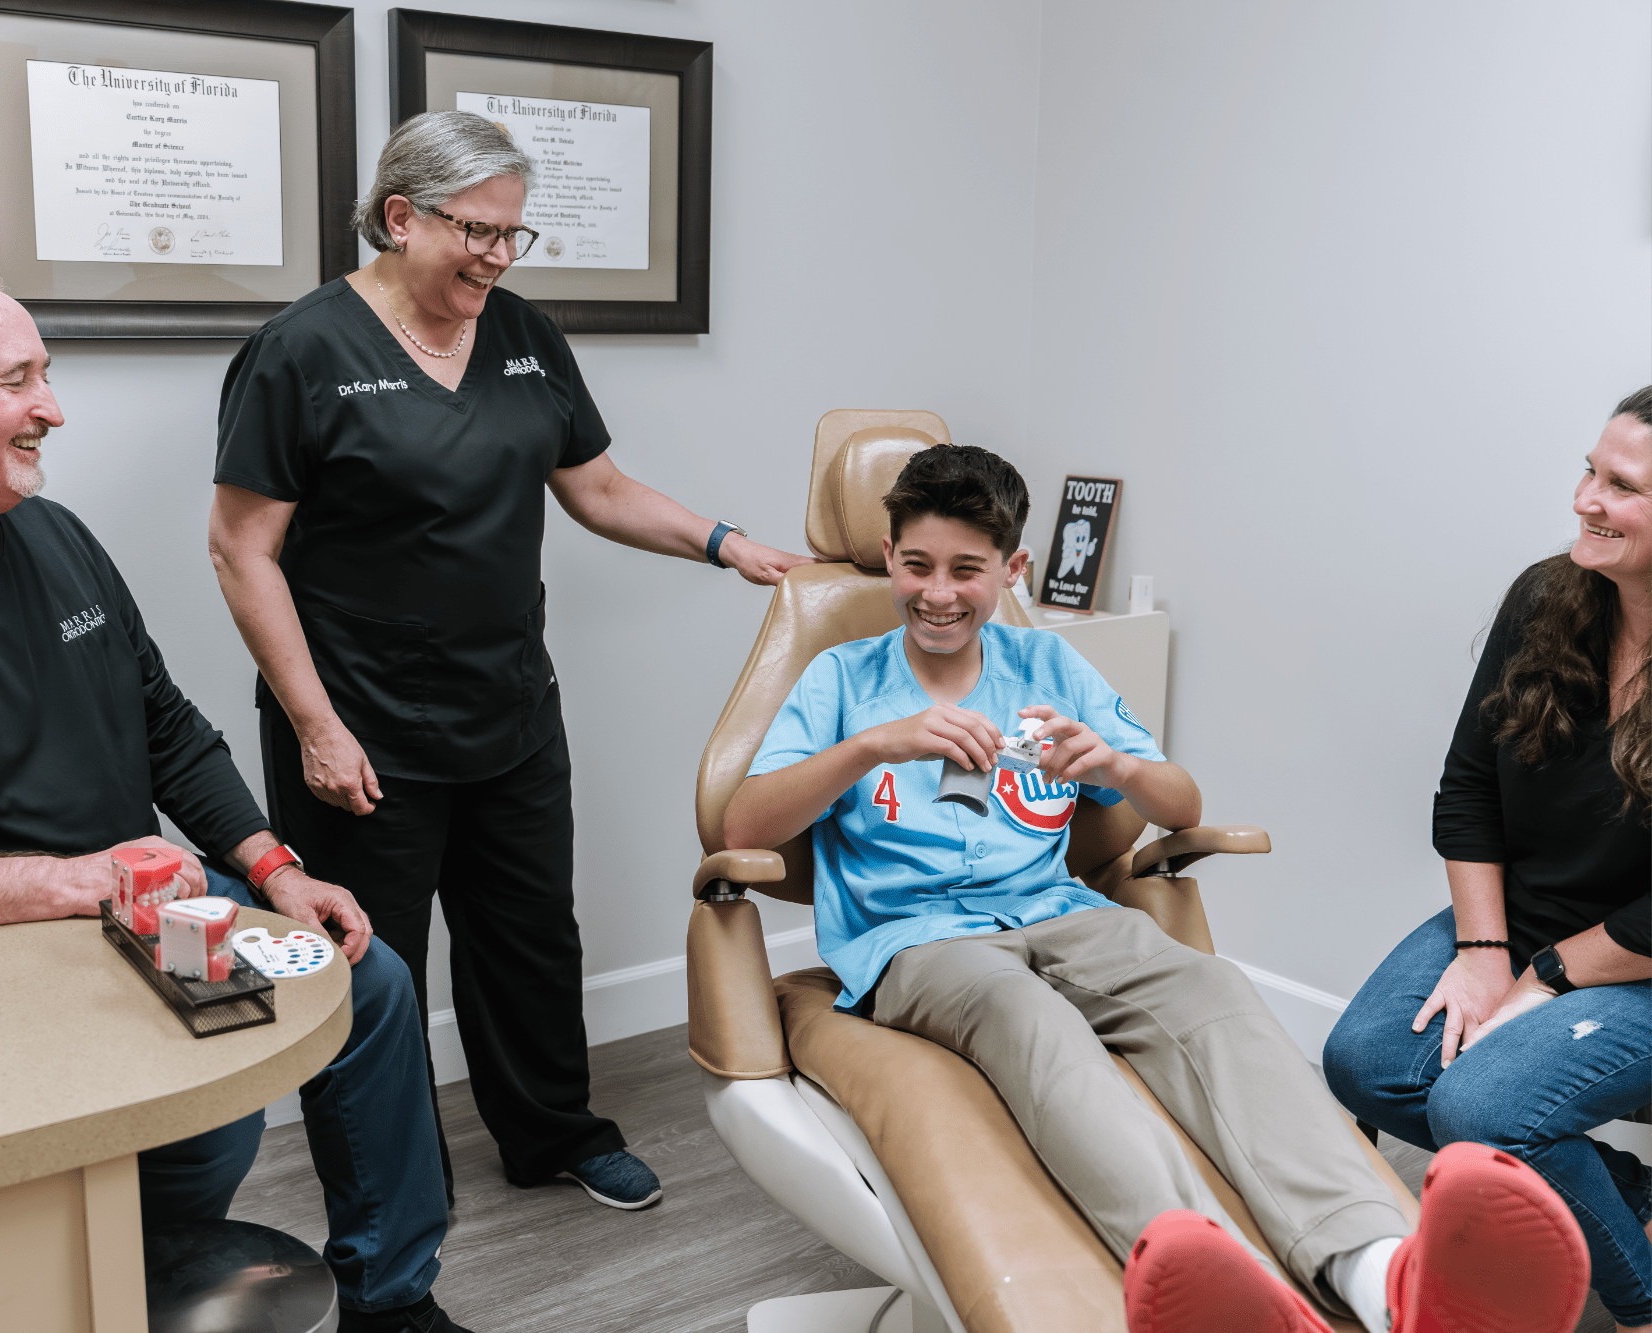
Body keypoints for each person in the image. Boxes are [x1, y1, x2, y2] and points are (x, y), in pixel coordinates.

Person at [0, 270, 477, 1333]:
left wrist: (273, 868)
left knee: (364, 978)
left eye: (48, 377)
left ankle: (392, 1300)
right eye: (17, 381)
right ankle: (95, 1274)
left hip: (132, 904)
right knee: (198, 1128)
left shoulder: (56, 538)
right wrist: (73, 882)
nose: (52, 409)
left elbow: (163, 725)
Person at [721, 443, 1593, 1333]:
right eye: (916, 565)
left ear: (1012, 569)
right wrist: (875, 744)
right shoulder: (843, 679)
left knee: (1214, 988)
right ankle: (1211, 1277)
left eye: (966, 570)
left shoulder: (1049, 669)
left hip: (1061, 915)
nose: (937, 591)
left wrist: (1114, 764)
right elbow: (741, 827)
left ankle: (1381, 1275)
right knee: (1029, 1021)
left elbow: (1181, 800)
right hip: (918, 941)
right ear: (887, 554)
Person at [209, 110, 810, 1211]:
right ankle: (390, 1191)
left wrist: (727, 545)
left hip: (510, 710)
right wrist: (312, 725)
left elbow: (598, 487)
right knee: (370, 963)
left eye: (512, 235)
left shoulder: (525, 334)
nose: (494, 255)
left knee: (530, 938)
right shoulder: (299, 351)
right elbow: (241, 548)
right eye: (474, 231)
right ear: (401, 218)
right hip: (361, 725)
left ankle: (552, 1133)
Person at [1324, 388, 1652, 1330]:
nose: (1584, 497)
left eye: (1619, 484)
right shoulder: (1548, 599)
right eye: (1589, 468)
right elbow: (1467, 787)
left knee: (1481, 1109)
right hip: (1524, 921)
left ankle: (1638, 1299)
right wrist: (1482, 948)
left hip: (1636, 964)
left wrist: (1545, 977)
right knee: (1366, 1063)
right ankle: (1620, 1187)